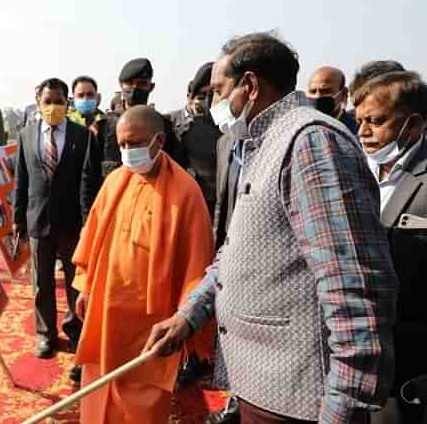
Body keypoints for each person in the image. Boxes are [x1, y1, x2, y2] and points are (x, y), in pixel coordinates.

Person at [143, 32, 398, 423]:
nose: (214, 103)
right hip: (260, 386)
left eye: (218, 90)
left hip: (298, 398)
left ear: (249, 85)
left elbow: (355, 291)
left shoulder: (311, 142)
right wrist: (189, 315)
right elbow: (241, 250)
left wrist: (342, 409)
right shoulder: (257, 143)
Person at [72, 105, 214, 423]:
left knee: (142, 399)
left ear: (158, 140)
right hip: (105, 312)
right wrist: (85, 286)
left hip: (148, 322)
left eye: (134, 143)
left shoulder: (186, 192)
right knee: (98, 389)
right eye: (121, 144)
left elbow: (197, 263)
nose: (127, 151)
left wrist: (184, 318)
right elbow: (92, 238)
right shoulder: (114, 182)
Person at [354, 70, 427, 424]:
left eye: (376, 121)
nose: (364, 131)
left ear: (412, 124)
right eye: (360, 121)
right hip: (354, 352)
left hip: (410, 361)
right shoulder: (354, 170)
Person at [12, 78, 97, 375]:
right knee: (41, 284)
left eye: (58, 101)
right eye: (47, 102)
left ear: (67, 103)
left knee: (76, 282)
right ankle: (46, 334)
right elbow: (20, 181)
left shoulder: (82, 135)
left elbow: (88, 182)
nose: (53, 107)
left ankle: (75, 330)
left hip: (72, 223)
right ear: (38, 103)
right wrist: (17, 219)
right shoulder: (25, 135)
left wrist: (88, 223)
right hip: (37, 221)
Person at [102, 58, 186, 181]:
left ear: (151, 87)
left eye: (141, 84)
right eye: (130, 83)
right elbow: (89, 176)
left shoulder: (164, 126)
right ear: (121, 85)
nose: (135, 88)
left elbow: (173, 170)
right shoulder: (104, 126)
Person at [168, 62, 221, 221]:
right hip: (179, 201)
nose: (205, 101)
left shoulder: (218, 123)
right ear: (189, 96)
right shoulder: (169, 122)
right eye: (201, 96)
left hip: (210, 201)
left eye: (210, 95)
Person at [67, 75, 108, 219]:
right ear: (73, 99)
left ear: (97, 97)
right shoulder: (66, 126)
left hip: (100, 195)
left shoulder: (108, 124)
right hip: (71, 199)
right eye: (80, 95)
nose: (85, 99)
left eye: (90, 95)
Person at [307, 66, 358, 135]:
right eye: (313, 91)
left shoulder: (356, 130)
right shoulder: (303, 129)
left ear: (343, 94)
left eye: (325, 91)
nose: (318, 96)